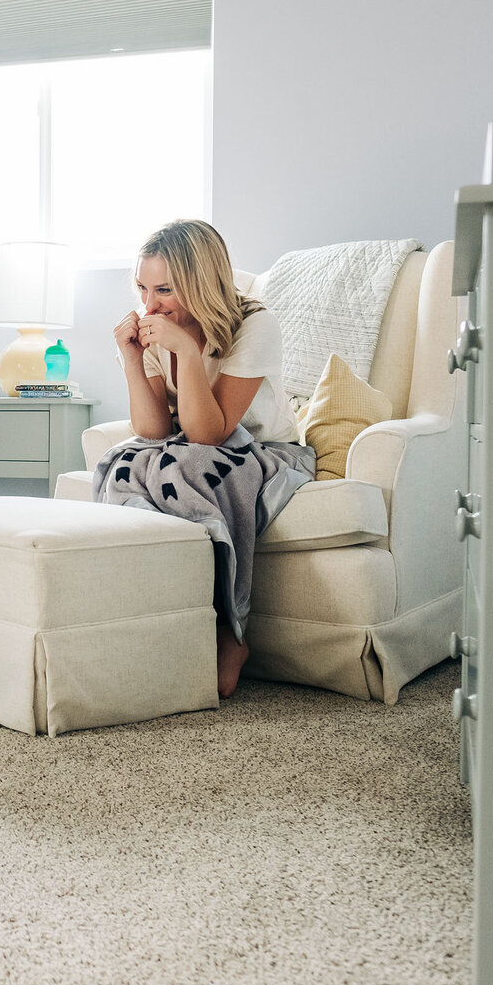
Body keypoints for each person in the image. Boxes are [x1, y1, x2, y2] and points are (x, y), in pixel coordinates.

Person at [109, 219, 305, 699]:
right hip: (189, 446)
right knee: (124, 462)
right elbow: (154, 429)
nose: (149, 306)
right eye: (142, 289)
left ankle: (228, 630)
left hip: (264, 451)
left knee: (195, 465)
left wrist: (186, 351)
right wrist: (133, 360)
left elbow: (211, 433)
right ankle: (151, 612)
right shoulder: (158, 329)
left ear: (200, 283)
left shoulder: (255, 324)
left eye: (164, 290)